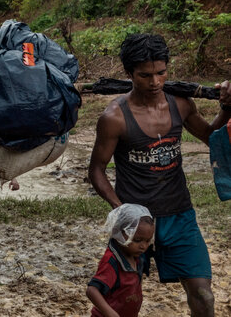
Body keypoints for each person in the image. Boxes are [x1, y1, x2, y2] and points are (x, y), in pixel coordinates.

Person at [88, 34, 231, 316]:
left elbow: (210, 136)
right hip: (135, 223)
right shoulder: (114, 117)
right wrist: (122, 212)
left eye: (161, 73)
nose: (154, 82)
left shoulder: (180, 104)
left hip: (179, 215)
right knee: (122, 299)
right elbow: (96, 170)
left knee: (203, 295)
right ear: (129, 74)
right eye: (144, 75)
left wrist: (227, 106)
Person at [87, 204, 154, 317]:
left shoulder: (136, 256)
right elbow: (92, 290)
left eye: (147, 241)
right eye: (137, 240)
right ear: (119, 232)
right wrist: (110, 313)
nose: (143, 246)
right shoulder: (112, 261)